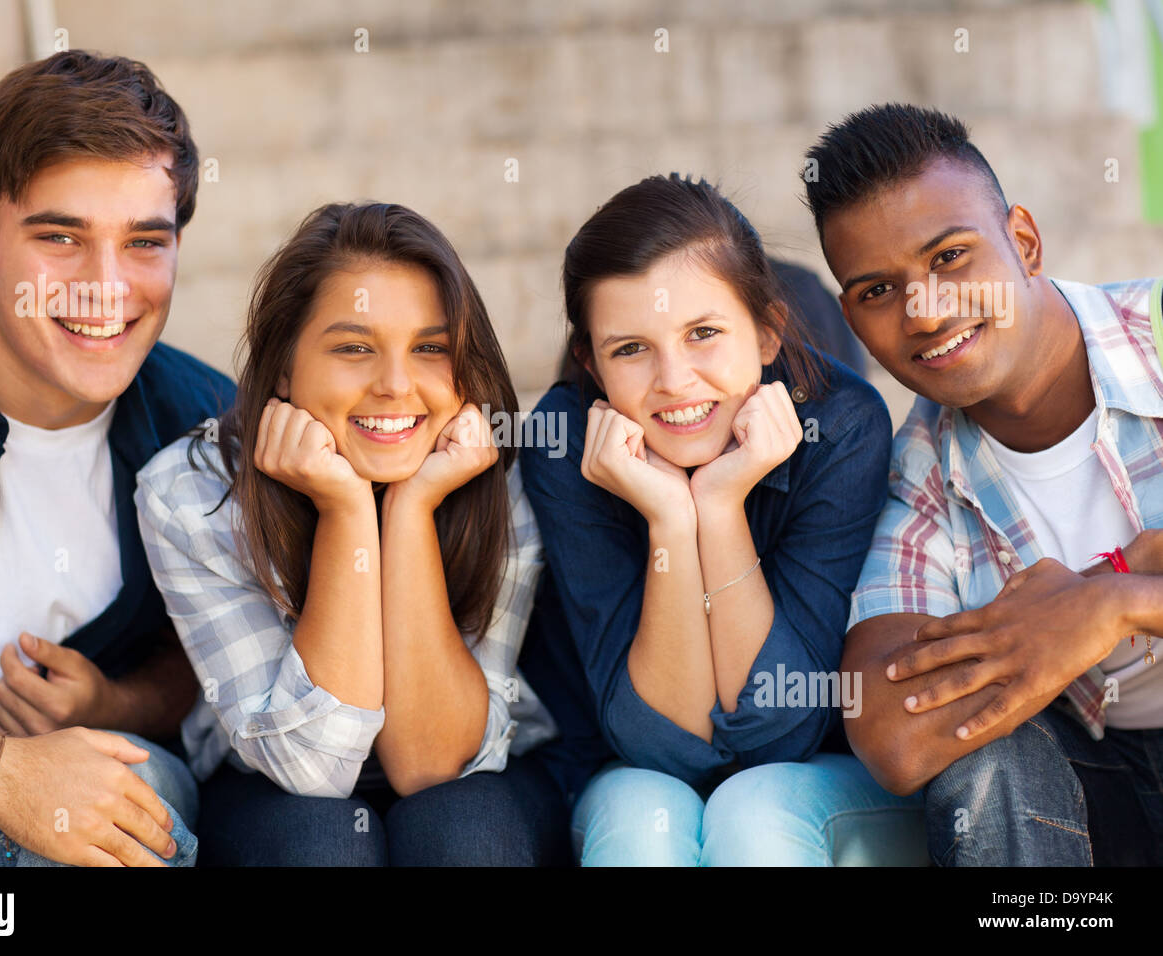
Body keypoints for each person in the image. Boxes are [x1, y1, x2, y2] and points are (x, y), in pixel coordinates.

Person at [0, 50, 235, 867]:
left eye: (144, 241)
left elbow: (217, 650)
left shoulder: (204, 426)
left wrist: (119, 699)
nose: (107, 287)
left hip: (66, 821)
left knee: (137, 794)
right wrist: (0, 772)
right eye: (61, 237)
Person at [135, 200, 570, 866]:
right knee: (321, 841)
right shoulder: (191, 493)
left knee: (467, 832)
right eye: (354, 348)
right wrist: (345, 512)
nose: (396, 385)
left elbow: (431, 764)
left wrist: (412, 509)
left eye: (430, 347)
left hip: (469, 772)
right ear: (283, 367)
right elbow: (310, 770)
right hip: (270, 784)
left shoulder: (495, 471)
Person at [517, 173, 927, 865]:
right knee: (642, 817)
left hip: (812, 775)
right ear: (589, 361)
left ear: (767, 332)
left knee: (756, 808)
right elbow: (660, 743)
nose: (674, 380)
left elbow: (779, 729)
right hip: (628, 772)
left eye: (704, 333)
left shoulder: (841, 425)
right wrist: (672, 523)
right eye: (630, 348)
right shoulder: (563, 439)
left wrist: (719, 504)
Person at [804, 103, 1163, 865]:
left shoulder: (1156, 337)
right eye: (878, 291)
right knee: (984, 760)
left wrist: (1111, 600)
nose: (925, 313)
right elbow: (896, 736)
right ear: (852, 316)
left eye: (949, 258)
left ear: (1024, 242)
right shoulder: (917, 470)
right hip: (1098, 800)